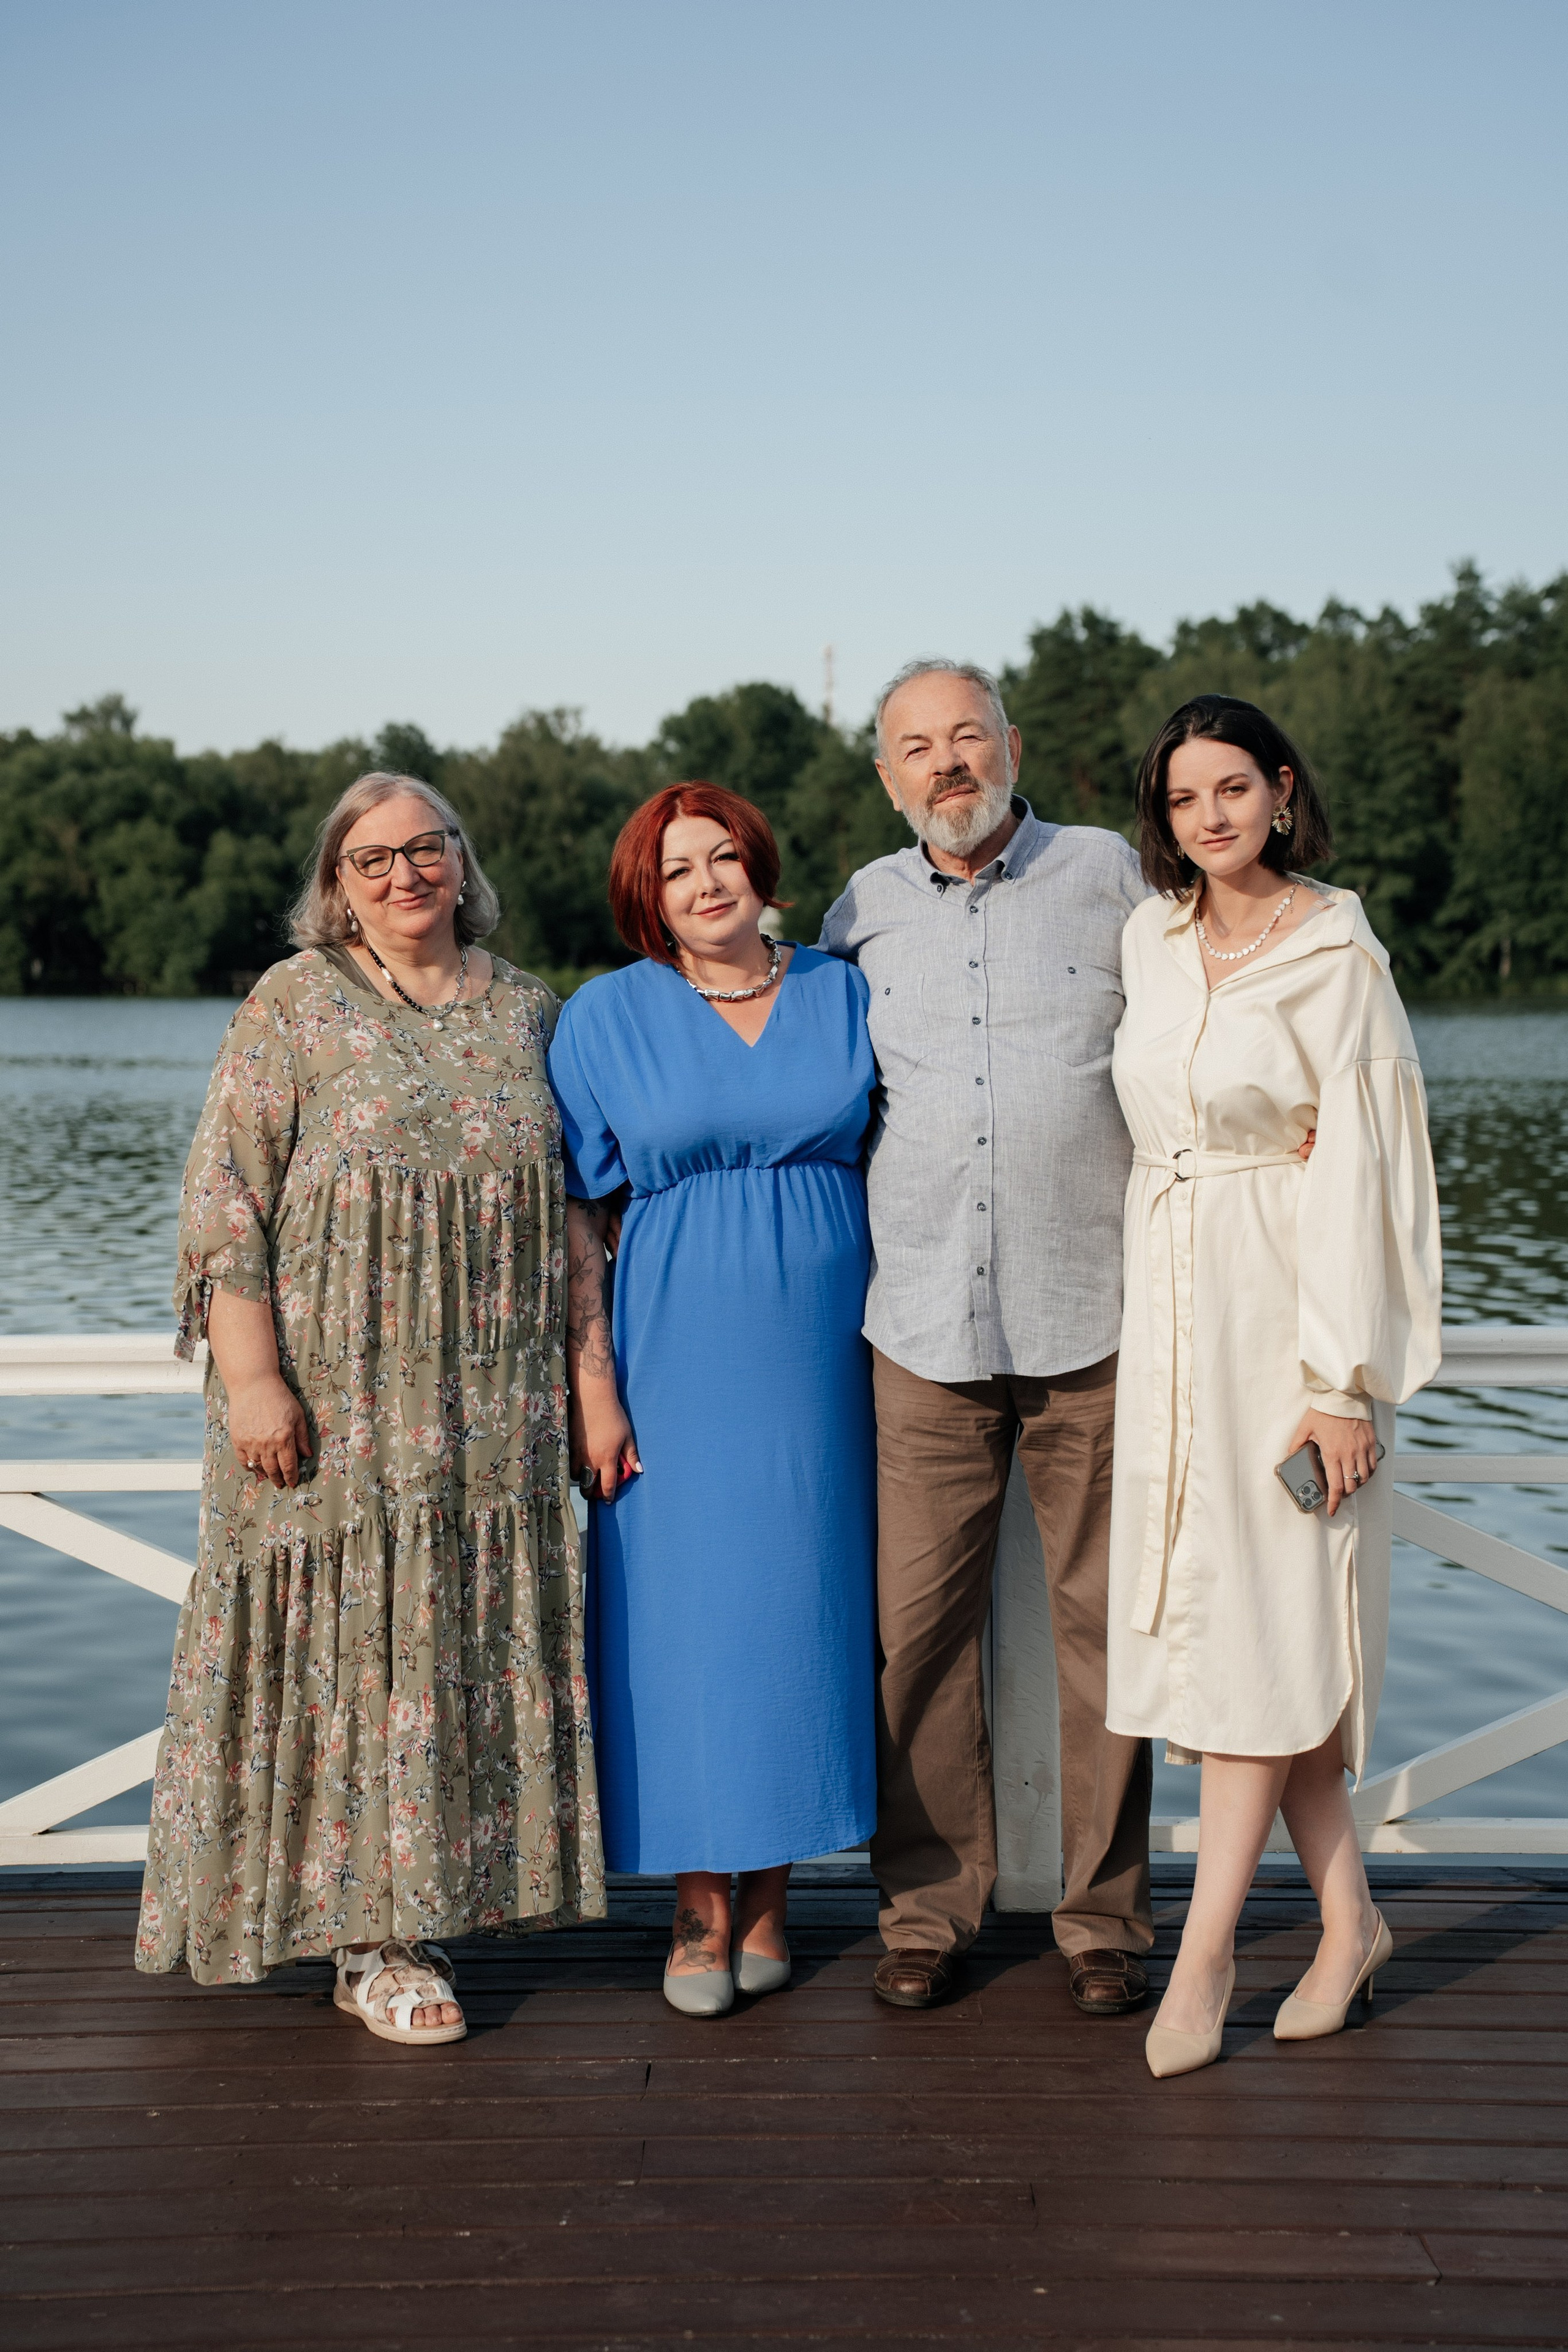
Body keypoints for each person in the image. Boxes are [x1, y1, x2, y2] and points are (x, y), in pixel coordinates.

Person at [135, 772, 604, 2039]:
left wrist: (590, 1381)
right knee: (340, 1659)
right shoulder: (293, 1008)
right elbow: (226, 1203)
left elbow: (573, 1219)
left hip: (486, 1410)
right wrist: (251, 1378)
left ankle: (425, 1910)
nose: (405, 875)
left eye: (427, 848)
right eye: (372, 858)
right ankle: (365, 1942)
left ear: (462, 860)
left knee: (441, 1653)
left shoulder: (526, 1012)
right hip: (330, 1404)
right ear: (335, 885)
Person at [1107, 696, 1442, 2079]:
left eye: (1234, 788)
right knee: (1239, 1639)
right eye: (1186, 799)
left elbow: (1369, 1175)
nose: (1211, 818)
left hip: (1281, 1320)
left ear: (1282, 792)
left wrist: (1341, 1384)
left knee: (1262, 1636)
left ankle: (1203, 1957)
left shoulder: (1336, 957)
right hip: (1170, 1318)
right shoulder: (1150, 938)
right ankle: (1349, 1922)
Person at [819, 658, 1156, 2015]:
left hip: (1098, 1314)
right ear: (887, 775)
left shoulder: (1112, 876)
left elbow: (1226, 992)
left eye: (967, 736)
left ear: (1011, 745)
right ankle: (925, 1910)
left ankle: (1103, 1924)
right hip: (919, 1327)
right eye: (916, 746)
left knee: (1106, 1632)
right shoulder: (858, 909)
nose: (946, 763)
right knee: (917, 1632)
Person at [549, 783, 878, 2019]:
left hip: (826, 1356)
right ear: (647, 895)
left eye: (723, 856)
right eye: (677, 868)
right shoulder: (603, 1017)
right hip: (675, 1353)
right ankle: (697, 1902)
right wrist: (596, 1386)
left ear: (759, 868)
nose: (705, 883)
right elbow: (583, 1218)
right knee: (687, 1624)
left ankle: (774, 1890)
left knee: (803, 1609)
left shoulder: (845, 992)